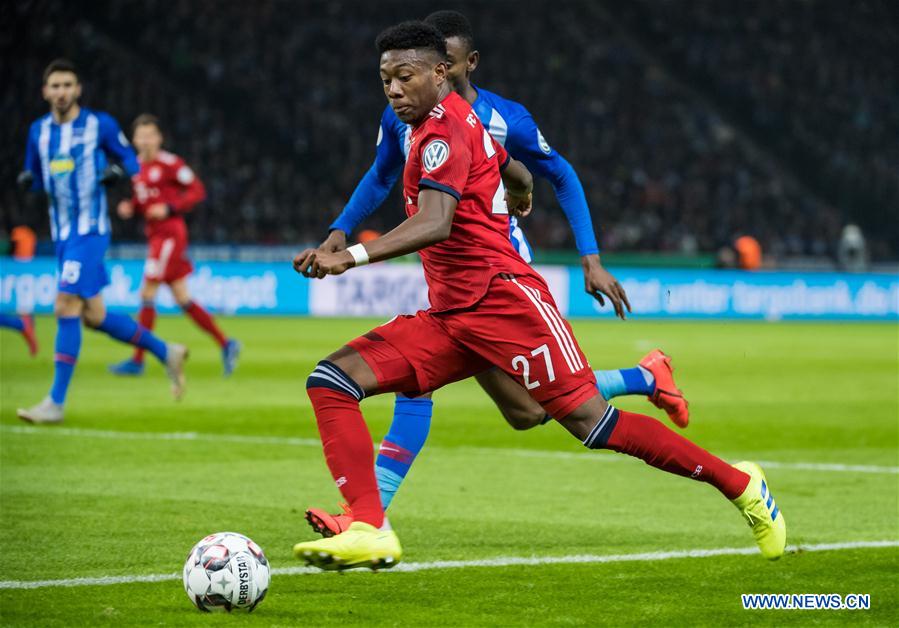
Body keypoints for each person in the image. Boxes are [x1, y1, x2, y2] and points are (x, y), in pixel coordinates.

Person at [291, 22, 785, 570]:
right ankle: (369, 526)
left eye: (404, 77)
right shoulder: (448, 120)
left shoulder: (445, 132)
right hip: (450, 315)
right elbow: (514, 169)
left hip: (507, 304)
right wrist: (517, 185)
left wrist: (351, 257)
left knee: (593, 424)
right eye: (385, 79)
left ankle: (741, 484)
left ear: (441, 73)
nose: (392, 90)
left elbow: (435, 222)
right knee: (334, 380)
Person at [16, 59, 188, 424]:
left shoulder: (100, 125)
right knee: (93, 315)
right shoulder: (38, 131)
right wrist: (29, 181)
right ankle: (165, 351)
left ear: (78, 89)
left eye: (68, 85)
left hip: (90, 231)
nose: (62, 92)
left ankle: (55, 403)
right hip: (62, 234)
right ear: (45, 92)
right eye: (55, 86)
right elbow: (37, 174)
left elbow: (131, 161)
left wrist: (118, 171)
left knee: (65, 304)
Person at [108, 114, 240, 377]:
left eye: (150, 135)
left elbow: (197, 190)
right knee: (182, 297)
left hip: (169, 235)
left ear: (159, 138)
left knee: (147, 293)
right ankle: (227, 344)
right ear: (134, 140)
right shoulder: (134, 167)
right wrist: (131, 207)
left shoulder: (170, 163)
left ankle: (138, 360)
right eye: (141, 136)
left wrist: (169, 207)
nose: (146, 141)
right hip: (156, 235)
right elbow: (145, 200)